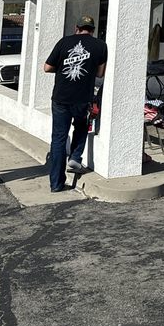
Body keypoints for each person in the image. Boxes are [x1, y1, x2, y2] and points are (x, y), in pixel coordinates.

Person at [44, 14, 108, 193]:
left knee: (58, 138)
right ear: (93, 30)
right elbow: (100, 74)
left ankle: (56, 184)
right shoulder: (101, 46)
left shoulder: (64, 42)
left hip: (61, 98)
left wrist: (64, 66)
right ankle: (75, 157)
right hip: (83, 98)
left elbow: (47, 67)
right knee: (81, 126)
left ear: (77, 28)